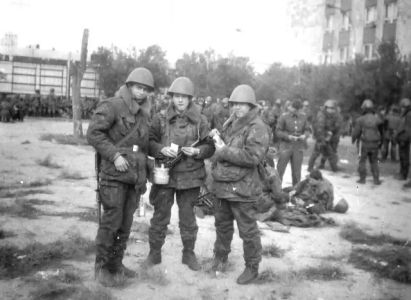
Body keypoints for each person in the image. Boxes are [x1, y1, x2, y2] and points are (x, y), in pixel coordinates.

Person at [87, 67, 154, 286]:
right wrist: (114, 155)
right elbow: (94, 133)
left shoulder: (144, 114)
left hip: (134, 178)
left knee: (125, 224)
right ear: (128, 86)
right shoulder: (112, 105)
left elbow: (143, 147)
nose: (141, 92)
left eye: (145, 89)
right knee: (111, 222)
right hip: (114, 177)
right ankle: (102, 268)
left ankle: (116, 264)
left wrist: (157, 157)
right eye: (138, 87)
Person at [145, 77, 215, 270]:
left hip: (190, 177)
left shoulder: (201, 120)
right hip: (164, 175)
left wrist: (198, 151)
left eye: (184, 97)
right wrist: (160, 149)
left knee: (188, 219)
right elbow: (149, 142)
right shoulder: (160, 118)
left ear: (190, 98)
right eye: (177, 96)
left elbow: (210, 146)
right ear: (172, 97)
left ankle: (188, 254)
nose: (180, 100)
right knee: (160, 217)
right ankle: (154, 254)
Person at [210, 84, 270, 285]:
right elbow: (224, 147)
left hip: (243, 188)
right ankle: (220, 258)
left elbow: (252, 157)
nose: (237, 108)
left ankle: (252, 268)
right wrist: (217, 140)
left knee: (248, 230)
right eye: (234, 104)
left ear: (251, 106)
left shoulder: (257, 127)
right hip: (223, 186)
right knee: (222, 226)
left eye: (242, 105)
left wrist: (224, 150)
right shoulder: (231, 122)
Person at [276, 99, 310, 186]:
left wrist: (304, 135)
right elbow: (278, 131)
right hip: (286, 145)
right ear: (291, 108)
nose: (295, 111)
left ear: (299, 109)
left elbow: (307, 129)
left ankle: (295, 192)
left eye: (297, 110)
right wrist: (288, 136)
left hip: (298, 147)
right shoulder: (284, 117)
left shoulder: (303, 117)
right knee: (280, 170)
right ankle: (277, 191)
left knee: (296, 172)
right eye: (294, 109)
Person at [351, 99, 383, 185]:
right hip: (375, 144)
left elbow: (356, 132)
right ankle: (376, 179)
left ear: (364, 108)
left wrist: (353, 139)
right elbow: (381, 132)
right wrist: (381, 143)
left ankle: (362, 179)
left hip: (364, 143)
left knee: (362, 161)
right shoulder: (378, 119)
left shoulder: (360, 119)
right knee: (374, 161)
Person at [308, 99, 342, 172]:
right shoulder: (322, 115)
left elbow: (332, 126)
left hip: (326, 137)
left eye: (333, 109)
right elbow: (320, 128)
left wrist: (329, 132)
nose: (333, 110)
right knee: (316, 153)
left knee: (330, 153)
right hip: (321, 137)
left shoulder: (328, 115)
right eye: (331, 108)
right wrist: (323, 139)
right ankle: (310, 168)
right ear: (327, 108)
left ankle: (334, 169)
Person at [396, 98, 411, 188]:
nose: (401, 109)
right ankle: (402, 173)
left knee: (404, 157)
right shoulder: (406, 115)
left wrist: (404, 139)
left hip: (404, 139)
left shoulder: (409, 115)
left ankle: (404, 174)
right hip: (403, 138)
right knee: (402, 156)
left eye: (402, 107)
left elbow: (408, 129)